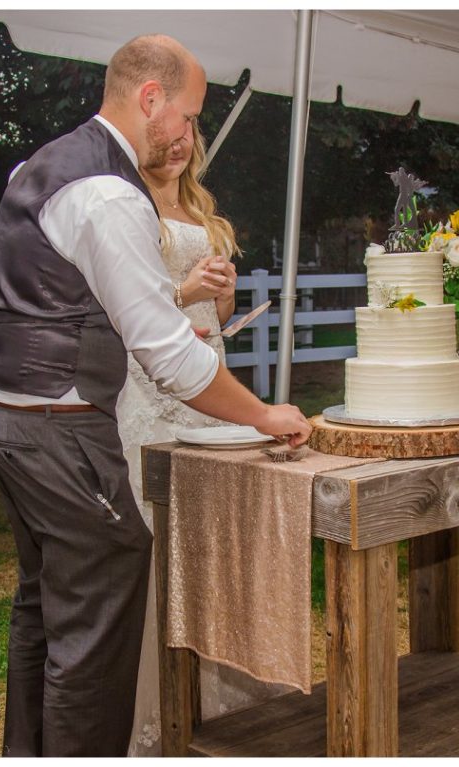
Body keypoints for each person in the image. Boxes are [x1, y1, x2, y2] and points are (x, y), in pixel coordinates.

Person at [0, 34, 312, 758]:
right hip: (57, 429)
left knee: (43, 605)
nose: (190, 133)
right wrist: (264, 413)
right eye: (187, 116)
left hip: (0, 412)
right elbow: (169, 357)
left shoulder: (39, 164)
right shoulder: (109, 195)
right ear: (150, 100)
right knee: (97, 621)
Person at [120, 124, 290, 756]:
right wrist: (182, 292)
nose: (182, 143)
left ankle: (230, 703)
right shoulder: (126, 202)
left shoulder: (202, 210)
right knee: (162, 536)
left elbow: (215, 319)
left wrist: (220, 298)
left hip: (209, 378)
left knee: (218, 534)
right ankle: (157, 710)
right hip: (148, 384)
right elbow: (121, 302)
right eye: (173, 133)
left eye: (192, 132)